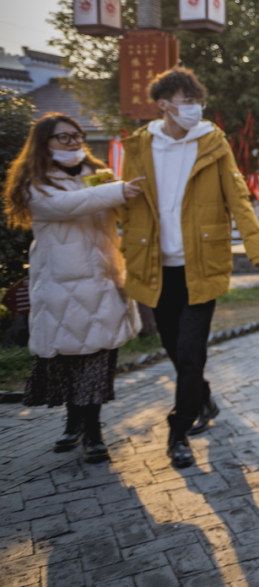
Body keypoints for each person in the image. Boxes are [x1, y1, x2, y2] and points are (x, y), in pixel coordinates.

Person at [119, 67, 259, 469]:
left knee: (190, 353)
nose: (195, 109)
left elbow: (237, 196)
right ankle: (201, 398)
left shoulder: (212, 143)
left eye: (197, 101)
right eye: (187, 101)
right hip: (155, 265)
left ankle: (178, 430)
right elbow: (127, 200)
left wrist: (256, 246)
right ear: (164, 105)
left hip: (200, 264)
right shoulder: (138, 146)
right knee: (175, 350)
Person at [4, 113, 146, 463]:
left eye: (76, 136)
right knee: (69, 359)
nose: (72, 143)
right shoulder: (35, 184)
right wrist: (114, 190)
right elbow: (64, 207)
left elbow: (118, 208)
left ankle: (93, 431)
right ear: (44, 144)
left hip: (103, 281)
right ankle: (73, 423)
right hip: (59, 286)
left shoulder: (96, 174)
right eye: (62, 137)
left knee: (98, 360)